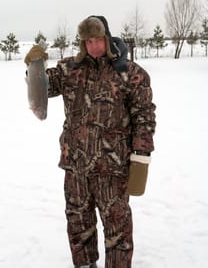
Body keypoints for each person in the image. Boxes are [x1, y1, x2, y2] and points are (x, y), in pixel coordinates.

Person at [24, 15, 156, 268]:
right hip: (76, 167)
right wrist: (34, 65)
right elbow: (43, 88)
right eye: (88, 41)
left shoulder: (130, 73)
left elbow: (144, 116)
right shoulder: (69, 70)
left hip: (113, 168)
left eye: (98, 40)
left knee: (117, 230)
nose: (94, 46)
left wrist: (141, 156)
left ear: (107, 38)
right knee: (78, 225)